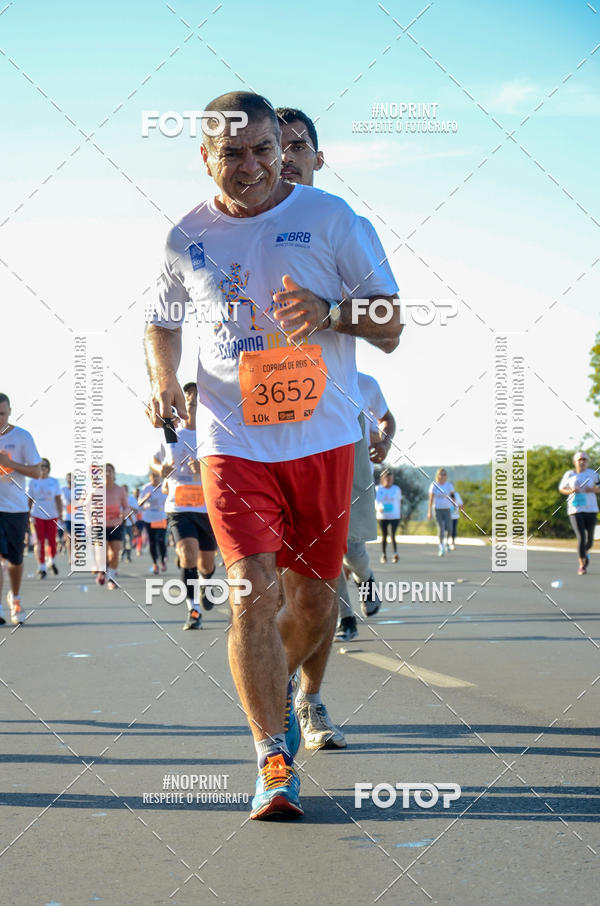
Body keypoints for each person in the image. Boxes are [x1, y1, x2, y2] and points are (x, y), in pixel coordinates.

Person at [145, 91, 401, 820]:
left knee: (314, 601)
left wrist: (329, 313)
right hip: (233, 443)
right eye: (233, 153)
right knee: (252, 594)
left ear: (280, 149)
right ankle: (272, 759)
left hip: (322, 441)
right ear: (205, 157)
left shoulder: (330, 220)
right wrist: (164, 380)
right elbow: (160, 322)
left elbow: (391, 321)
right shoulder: (184, 235)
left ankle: (284, 693)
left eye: (264, 149)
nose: (252, 165)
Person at [276, 108, 398, 731]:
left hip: (332, 431)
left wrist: (327, 313)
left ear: (319, 159)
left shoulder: (342, 224)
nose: (288, 157)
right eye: (279, 145)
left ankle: (306, 696)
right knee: (269, 582)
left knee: (319, 577)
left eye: (301, 146)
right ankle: (270, 703)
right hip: (250, 434)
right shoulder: (230, 225)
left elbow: (390, 324)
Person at [336, 371, 396, 643]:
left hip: (356, 476)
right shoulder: (305, 374)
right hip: (315, 474)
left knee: (353, 549)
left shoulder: (365, 383)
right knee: (326, 550)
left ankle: (367, 579)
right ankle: (344, 618)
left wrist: (383, 442)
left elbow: (386, 419)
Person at [152, 382, 217, 630]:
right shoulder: (172, 433)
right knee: (187, 554)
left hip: (207, 508)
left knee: (206, 564)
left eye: (196, 395)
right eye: (187, 394)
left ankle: (206, 584)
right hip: (179, 507)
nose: (191, 398)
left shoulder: (213, 435)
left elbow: (227, 470)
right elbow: (155, 460)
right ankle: (193, 610)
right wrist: (161, 469)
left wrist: (205, 469)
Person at [0, 392, 42, 625]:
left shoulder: (23, 437)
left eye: (2, 414)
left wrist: (10, 464)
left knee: (15, 560)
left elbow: (36, 471)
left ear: (10, 412)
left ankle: (15, 597)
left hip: (15, 508)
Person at [559, 451, 599, 575]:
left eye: (584, 460)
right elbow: (561, 488)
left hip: (591, 509)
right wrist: (571, 490)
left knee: (590, 541)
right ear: (575, 462)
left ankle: (584, 553)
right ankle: (582, 565)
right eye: (579, 460)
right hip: (575, 509)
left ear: (587, 462)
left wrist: (592, 489)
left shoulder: (592, 474)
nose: (582, 462)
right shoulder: (569, 474)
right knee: (581, 536)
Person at [27, 458, 63, 578]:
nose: (43, 468)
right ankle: (41, 566)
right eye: (41, 466)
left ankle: (51, 561)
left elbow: (58, 499)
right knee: (40, 541)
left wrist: (61, 514)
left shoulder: (54, 482)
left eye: (45, 466)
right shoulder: (32, 482)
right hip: (37, 515)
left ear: (49, 468)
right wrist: (27, 515)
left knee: (52, 541)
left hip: (52, 515)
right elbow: (30, 500)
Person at [98, 463, 129, 590]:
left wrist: (124, 513)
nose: (107, 473)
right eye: (104, 471)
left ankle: (111, 578)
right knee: (103, 552)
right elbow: (87, 507)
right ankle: (102, 570)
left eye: (109, 471)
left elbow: (126, 507)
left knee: (115, 553)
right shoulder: (97, 490)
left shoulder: (120, 490)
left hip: (116, 524)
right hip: (100, 525)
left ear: (114, 474)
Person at [138, 471, 168, 575]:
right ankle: (155, 563)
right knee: (152, 542)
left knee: (160, 540)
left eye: (157, 476)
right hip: (149, 518)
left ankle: (162, 561)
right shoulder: (146, 488)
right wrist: (145, 498)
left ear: (160, 477)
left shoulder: (164, 487)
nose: (155, 478)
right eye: (153, 476)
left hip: (161, 517)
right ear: (150, 478)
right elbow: (139, 504)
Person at [375, 470, 402, 563]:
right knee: (384, 535)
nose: (388, 481)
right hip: (382, 516)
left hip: (394, 516)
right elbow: (376, 501)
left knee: (392, 534)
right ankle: (384, 554)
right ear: (383, 479)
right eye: (387, 478)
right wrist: (379, 507)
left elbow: (399, 501)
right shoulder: (378, 489)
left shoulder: (396, 489)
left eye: (390, 479)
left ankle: (395, 553)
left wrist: (399, 513)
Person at [427, 468, 455, 556]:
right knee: (441, 529)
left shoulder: (449, 485)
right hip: (437, 509)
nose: (443, 476)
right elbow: (431, 499)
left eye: (444, 474)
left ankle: (446, 542)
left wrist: (454, 506)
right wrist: (429, 512)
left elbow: (452, 496)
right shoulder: (434, 485)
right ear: (438, 475)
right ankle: (441, 546)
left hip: (447, 509)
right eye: (441, 474)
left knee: (449, 528)